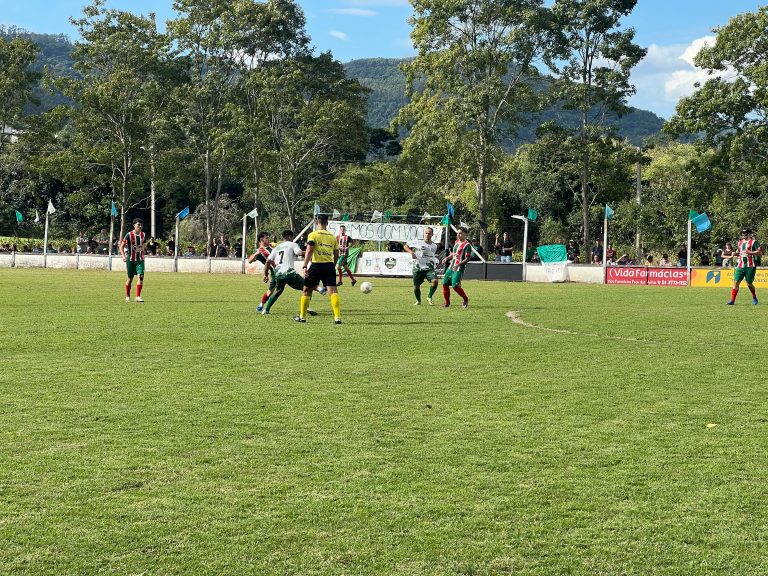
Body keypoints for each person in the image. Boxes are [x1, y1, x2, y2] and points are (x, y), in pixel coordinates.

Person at [261, 230, 324, 315]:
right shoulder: (292, 244)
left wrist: (265, 274)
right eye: (292, 237)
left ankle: (266, 310)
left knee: (277, 291)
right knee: (307, 288)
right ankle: (307, 306)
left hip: (278, 274)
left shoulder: (277, 248)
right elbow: (299, 253)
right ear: (290, 237)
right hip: (290, 273)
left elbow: (268, 261)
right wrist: (311, 252)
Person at [295, 214, 342, 324]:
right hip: (329, 266)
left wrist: (305, 265)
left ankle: (302, 317)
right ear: (327, 223)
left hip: (316, 266)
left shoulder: (313, 235)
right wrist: (333, 265)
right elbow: (336, 253)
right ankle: (337, 318)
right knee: (333, 291)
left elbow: (309, 250)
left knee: (306, 290)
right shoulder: (332, 236)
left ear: (317, 222)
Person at [403, 226, 439, 305]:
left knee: (435, 281)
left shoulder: (434, 246)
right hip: (418, 267)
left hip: (428, 267)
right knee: (416, 286)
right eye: (426, 233)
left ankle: (429, 297)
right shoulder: (418, 242)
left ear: (432, 234)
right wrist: (411, 253)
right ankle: (418, 301)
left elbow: (431, 256)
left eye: (429, 233)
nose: (427, 235)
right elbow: (405, 246)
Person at [727, 227, 761, 305]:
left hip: (750, 266)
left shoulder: (753, 242)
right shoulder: (739, 242)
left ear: (749, 234)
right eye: (742, 233)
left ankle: (754, 297)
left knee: (749, 283)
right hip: (740, 265)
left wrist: (750, 252)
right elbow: (739, 252)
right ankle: (732, 300)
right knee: (736, 282)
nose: (743, 235)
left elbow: (759, 252)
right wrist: (735, 253)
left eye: (745, 233)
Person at [440, 226, 471, 308]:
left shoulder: (467, 245)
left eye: (460, 233)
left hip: (459, 268)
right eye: (457, 233)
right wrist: (447, 258)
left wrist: (458, 264)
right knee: (445, 283)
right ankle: (447, 303)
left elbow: (467, 259)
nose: (458, 235)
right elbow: (453, 254)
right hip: (451, 267)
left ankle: (465, 299)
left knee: (455, 286)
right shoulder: (456, 242)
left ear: (465, 234)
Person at [120, 218, 146, 302]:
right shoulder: (129, 235)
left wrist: (143, 252)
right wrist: (123, 256)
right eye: (138, 224)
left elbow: (143, 245)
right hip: (130, 260)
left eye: (141, 225)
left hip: (140, 260)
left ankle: (138, 296)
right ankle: (127, 296)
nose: (140, 226)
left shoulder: (143, 234)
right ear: (134, 225)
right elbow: (121, 246)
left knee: (141, 277)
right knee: (130, 279)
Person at [248, 232, 273, 312]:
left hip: (280, 269)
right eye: (266, 238)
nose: (268, 239)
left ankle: (262, 305)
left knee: (272, 291)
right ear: (262, 239)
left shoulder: (272, 246)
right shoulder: (260, 251)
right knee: (271, 291)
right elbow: (249, 260)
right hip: (273, 272)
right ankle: (263, 306)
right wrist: (256, 254)